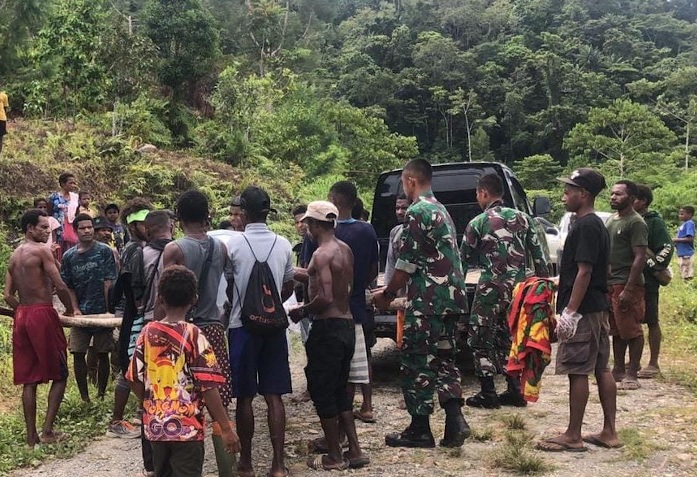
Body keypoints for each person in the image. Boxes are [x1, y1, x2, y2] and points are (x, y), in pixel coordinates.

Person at [374, 159, 470, 449]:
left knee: (417, 361)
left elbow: (407, 262)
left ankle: (419, 430)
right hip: (452, 300)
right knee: (444, 358)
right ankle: (455, 422)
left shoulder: (417, 211)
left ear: (410, 180)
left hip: (427, 301)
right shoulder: (442, 210)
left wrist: (387, 294)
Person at [126, 265, 240, 477]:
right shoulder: (195, 335)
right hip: (187, 429)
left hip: (155, 428)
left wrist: (150, 402)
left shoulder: (147, 332)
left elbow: (133, 377)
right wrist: (225, 427)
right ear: (194, 298)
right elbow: (208, 386)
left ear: (160, 299)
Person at [536, 168, 621, 452]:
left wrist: (570, 312)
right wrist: (561, 280)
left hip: (584, 309)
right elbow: (599, 269)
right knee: (601, 368)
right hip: (598, 306)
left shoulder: (584, 226)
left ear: (583, 194)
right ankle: (609, 431)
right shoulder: (597, 225)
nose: (564, 196)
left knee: (578, 370)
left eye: (568, 190)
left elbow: (585, 271)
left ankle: (573, 435)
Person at [289, 201, 369, 471]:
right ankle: (355, 450)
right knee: (340, 389)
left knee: (322, 389)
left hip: (327, 327)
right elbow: (329, 281)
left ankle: (335, 455)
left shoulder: (322, 253)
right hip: (346, 325)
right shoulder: (344, 250)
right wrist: (289, 271)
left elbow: (324, 296)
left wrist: (302, 311)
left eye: (308, 223)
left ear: (315, 224)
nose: (306, 228)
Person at [460, 173, 549, 409]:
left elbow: (463, 262)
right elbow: (540, 259)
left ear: (485, 193)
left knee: (480, 338)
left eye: (478, 194)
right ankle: (514, 390)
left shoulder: (477, 222)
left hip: (490, 288)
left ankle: (487, 392)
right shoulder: (524, 219)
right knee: (511, 337)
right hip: (519, 290)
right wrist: (542, 292)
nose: (478, 198)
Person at [162, 190, 235, 477]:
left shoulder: (175, 250)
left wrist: (157, 329)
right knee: (218, 401)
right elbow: (227, 290)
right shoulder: (221, 248)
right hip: (213, 329)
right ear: (207, 215)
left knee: (179, 399)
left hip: (180, 330)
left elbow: (163, 296)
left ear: (178, 218)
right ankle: (226, 470)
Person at [225, 186, 295, 477]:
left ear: (244, 212)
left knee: (244, 397)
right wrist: (270, 302)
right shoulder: (284, 244)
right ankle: (278, 465)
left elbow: (229, 288)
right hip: (274, 328)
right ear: (268, 212)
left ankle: (246, 463)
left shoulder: (233, 245)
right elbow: (289, 286)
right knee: (274, 396)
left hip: (242, 327)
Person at [4, 209, 75, 447]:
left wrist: (22, 311)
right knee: (61, 373)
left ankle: (31, 437)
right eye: (43, 227)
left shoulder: (14, 256)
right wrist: (69, 310)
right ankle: (47, 431)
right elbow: (60, 285)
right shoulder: (41, 251)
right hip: (42, 313)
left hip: (22, 315)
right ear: (30, 229)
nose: (47, 231)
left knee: (29, 378)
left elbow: (7, 296)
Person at [60, 213, 118, 402]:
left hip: (102, 313)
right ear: (76, 231)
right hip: (81, 314)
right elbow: (68, 286)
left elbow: (109, 281)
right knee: (77, 353)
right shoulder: (69, 257)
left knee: (103, 353)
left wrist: (109, 310)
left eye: (89, 227)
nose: (87, 230)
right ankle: (85, 397)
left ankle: (101, 394)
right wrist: (75, 309)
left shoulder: (104, 251)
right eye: (82, 228)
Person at [606, 180, 648, 391]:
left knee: (632, 329)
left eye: (619, 194)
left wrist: (630, 288)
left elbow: (640, 256)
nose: (613, 197)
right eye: (612, 194)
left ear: (631, 198)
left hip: (628, 282)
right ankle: (618, 369)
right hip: (611, 283)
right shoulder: (612, 220)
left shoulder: (636, 222)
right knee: (617, 329)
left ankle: (632, 373)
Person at [633, 185, 673, 379]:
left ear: (643, 201)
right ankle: (634, 361)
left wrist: (651, 264)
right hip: (628, 278)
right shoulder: (624, 219)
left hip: (648, 280)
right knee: (632, 321)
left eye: (635, 198)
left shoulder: (654, 222)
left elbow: (666, 248)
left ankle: (653, 362)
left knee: (652, 320)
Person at [48, 172, 79, 254]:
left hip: (71, 230)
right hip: (57, 231)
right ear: (62, 184)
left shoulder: (75, 198)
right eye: (70, 183)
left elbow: (77, 214)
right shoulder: (54, 197)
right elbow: (49, 213)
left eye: (74, 183)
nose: (73, 185)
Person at [383, 193, 409, 286]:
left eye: (404, 208)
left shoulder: (419, 231)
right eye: (397, 208)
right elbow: (391, 264)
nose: (399, 212)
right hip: (399, 290)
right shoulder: (395, 232)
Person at [674, 206, 695, 280]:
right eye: (679, 214)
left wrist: (675, 240)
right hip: (682, 252)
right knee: (683, 271)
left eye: (682, 214)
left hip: (687, 253)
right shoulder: (683, 225)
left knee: (687, 273)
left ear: (689, 215)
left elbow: (690, 238)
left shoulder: (689, 223)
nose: (680, 216)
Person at [0, 84, 8, 155]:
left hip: (1, 119)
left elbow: (5, 108)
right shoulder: (4, 96)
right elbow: (5, 109)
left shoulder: (4, 96)